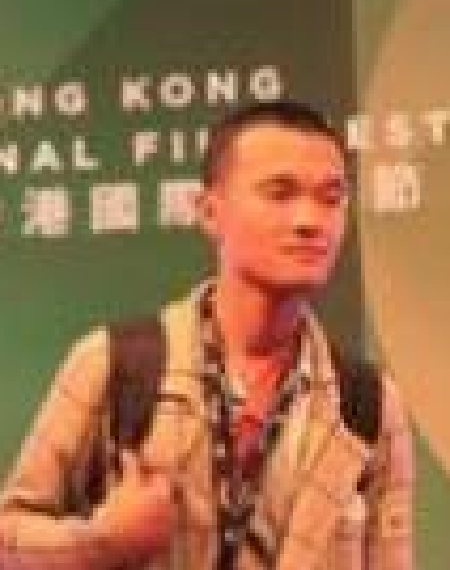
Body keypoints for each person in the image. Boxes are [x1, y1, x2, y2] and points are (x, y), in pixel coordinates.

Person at [0, 100, 414, 570]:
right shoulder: (116, 364)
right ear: (209, 212)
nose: (310, 220)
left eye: (331, 198)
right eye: (280, 194)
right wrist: (104, 540)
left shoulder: (369, 405)